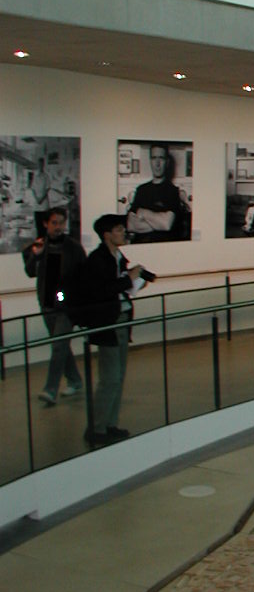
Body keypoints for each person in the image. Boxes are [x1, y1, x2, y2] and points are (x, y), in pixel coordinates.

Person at [72, 213, 150, 445]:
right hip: (108, 324)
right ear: (107, 235)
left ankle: (110, 423)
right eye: (118, 230)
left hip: (121, 320)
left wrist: (134, 281)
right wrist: (129, 279)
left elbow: (116, 287)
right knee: (110, 378)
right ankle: (96, 427)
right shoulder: (98, 260)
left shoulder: (117, 257)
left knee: (119, 376)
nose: (123, 232)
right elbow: (102, 291)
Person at [22, 208, 87, 406]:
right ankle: (75, 380)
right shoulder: (37, 246)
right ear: (46, 224)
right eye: (54, 223)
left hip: (66, 305)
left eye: (61, 223)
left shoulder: (73, 247)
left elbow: (83, 274)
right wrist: (36, 256)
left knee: (59, 346)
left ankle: (50, 389)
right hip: (47, 303)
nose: (58, 227)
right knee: (60, 345)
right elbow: (30, 272)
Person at [126, 144, 188, 242]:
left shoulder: (172, 191)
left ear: (167, 162)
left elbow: (166, 224)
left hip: (161, 247)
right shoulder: (141, 190)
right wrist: (158, 221)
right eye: (154, 158)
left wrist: (143, 212)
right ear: (150, 161)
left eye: (161, 158)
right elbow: (131, 225)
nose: (157, 163)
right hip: (141, 245)